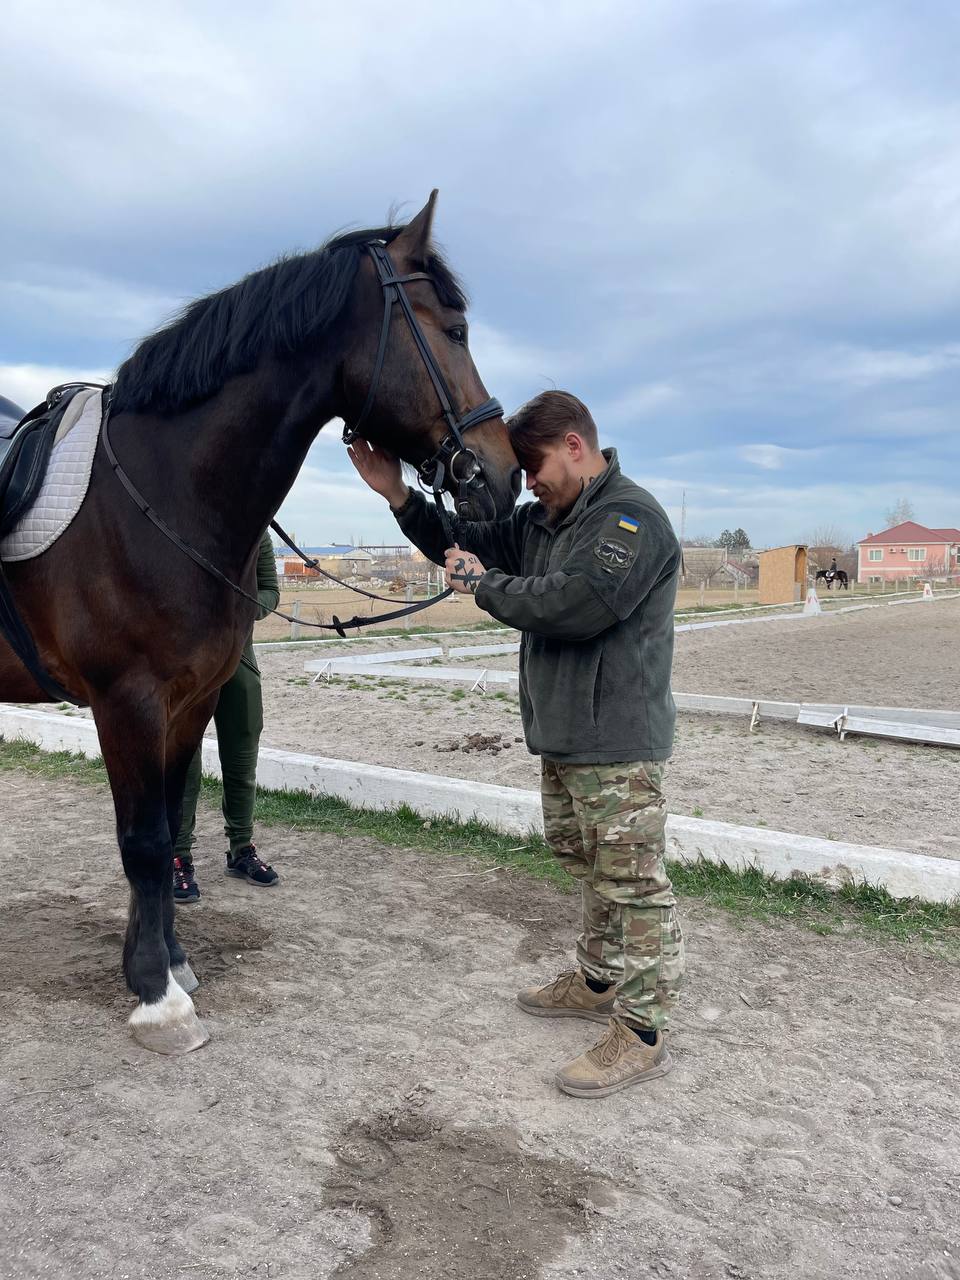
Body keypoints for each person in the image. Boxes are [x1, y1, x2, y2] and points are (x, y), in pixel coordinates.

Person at [350, 390, 684, 1098]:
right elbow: (459, 545)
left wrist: (488, 587)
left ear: (574, 445)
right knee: (587, 862)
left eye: (534, 468)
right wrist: (399, 498)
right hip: (563, 733)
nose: (527, 482)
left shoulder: (630, 520)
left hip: (617, 740)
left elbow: (579, 605)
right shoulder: (544, 521)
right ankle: (597, 981)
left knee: (634, 884)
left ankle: (643, 1031)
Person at [173, 530, 280, 901]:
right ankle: (178, 855)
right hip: (189, 662)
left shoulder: (258, 534)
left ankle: (241, 848)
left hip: (238, 658)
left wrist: (241, 605)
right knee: (185, 761)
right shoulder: (185, 523)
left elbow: (271, 592)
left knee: (241, 755)